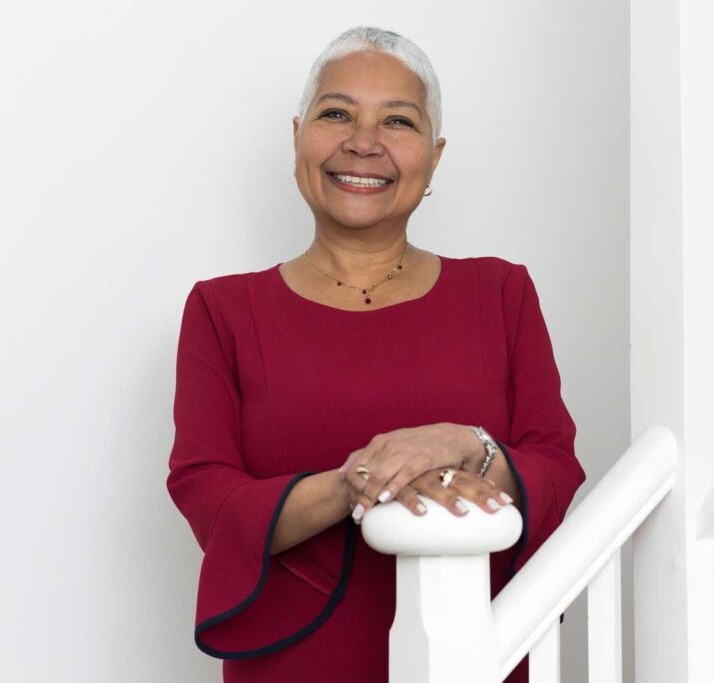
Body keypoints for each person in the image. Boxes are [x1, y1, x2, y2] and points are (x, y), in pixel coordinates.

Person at [166, 25, 587, 682]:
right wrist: (355, 481)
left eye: (398, 120)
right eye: (337, 113)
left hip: (473, 657)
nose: (364, 142)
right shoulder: (223, 310)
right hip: (295, 662)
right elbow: (207, 493)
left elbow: (556, 471)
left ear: (435, 156)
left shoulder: (502, 293)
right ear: (298, 136)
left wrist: (460, 444)